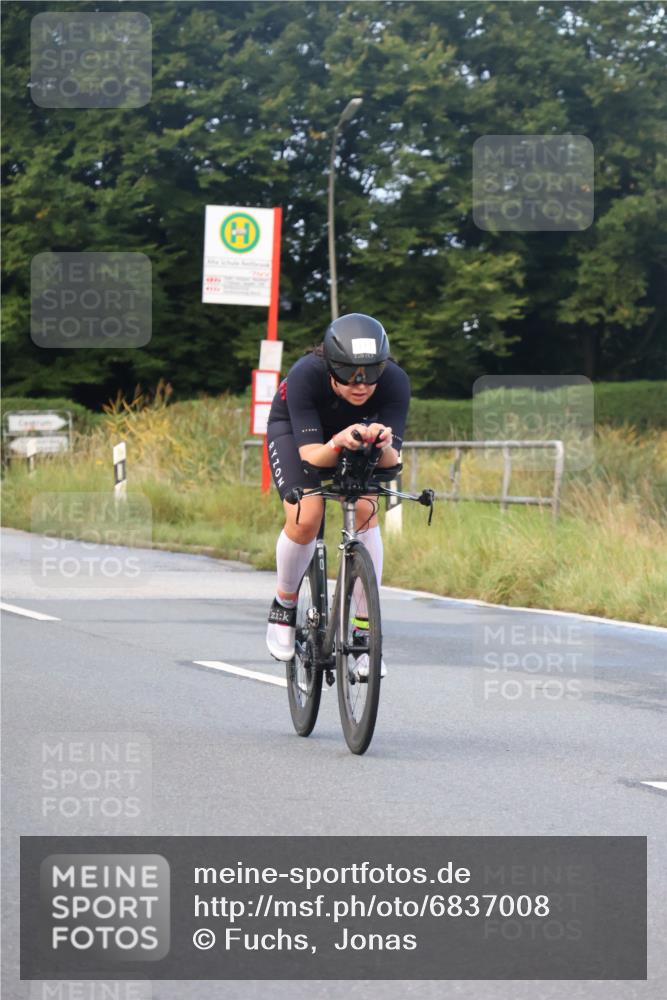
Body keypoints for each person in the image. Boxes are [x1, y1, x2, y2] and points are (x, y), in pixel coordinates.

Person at [265, 313, 410, 678]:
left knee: (365, 509)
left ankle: (363, 633)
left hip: (356, 437)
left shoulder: (395, 382)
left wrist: (383, 443)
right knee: (307, 516)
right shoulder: (305, 375)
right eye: (348, 374)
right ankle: (284, 605)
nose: (360, 385)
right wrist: (337, 441)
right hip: (299, 436)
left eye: (370, 374)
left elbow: (392, 463)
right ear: (331, 367)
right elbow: (313, 458)